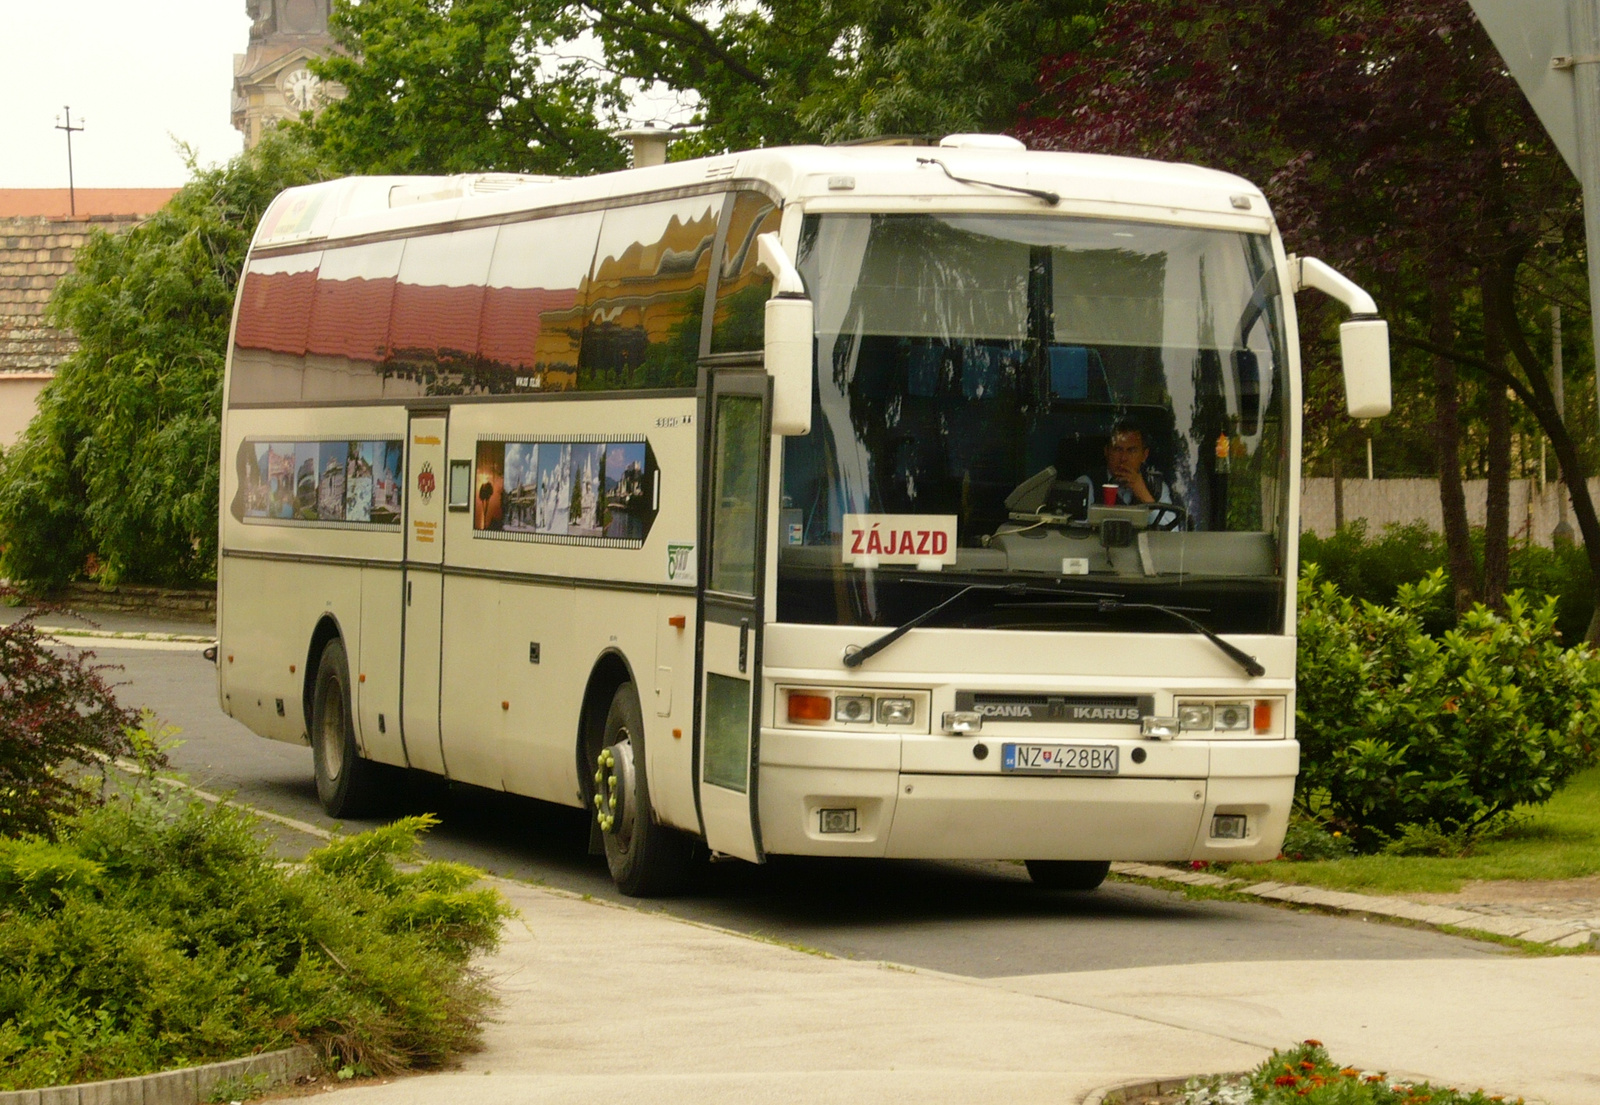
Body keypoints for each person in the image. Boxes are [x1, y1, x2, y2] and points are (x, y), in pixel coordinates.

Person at [1077, 422, 1182, 529]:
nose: (1123, 458)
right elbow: (1077, 533)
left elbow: (1173, 534)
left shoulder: (1156, 487)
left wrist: (1143, 494)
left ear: (1144, 455)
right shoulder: (1087, 484)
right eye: (1118, 449)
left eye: (1132, 451)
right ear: (1107, 451)